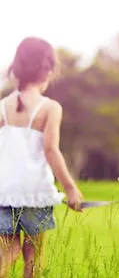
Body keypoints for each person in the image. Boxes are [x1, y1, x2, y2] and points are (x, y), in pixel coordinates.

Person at [0, 37, 83, 278]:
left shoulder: (2, 106)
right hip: (35, 194)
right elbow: (51, 150)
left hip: (4, 192)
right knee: (34, 256)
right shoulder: (50, 108)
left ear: (16, 70)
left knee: (7, 251)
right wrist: (71, 189)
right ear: (47, 72)